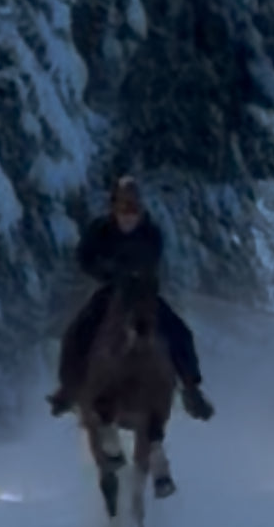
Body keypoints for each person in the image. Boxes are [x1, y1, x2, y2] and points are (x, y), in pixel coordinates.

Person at [47, 176, 214, 421]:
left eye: (133, 209)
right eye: (123, 208)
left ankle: (191, 389)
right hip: (111, 292)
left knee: (179, 331)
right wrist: (107, 271)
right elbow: (85, 257)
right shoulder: (100, 230)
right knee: (77, 331)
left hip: (143, 293)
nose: (128, 216)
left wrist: (139, 274)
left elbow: (153, 259)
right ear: (114, 208)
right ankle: (69, 388)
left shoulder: (150, 233)